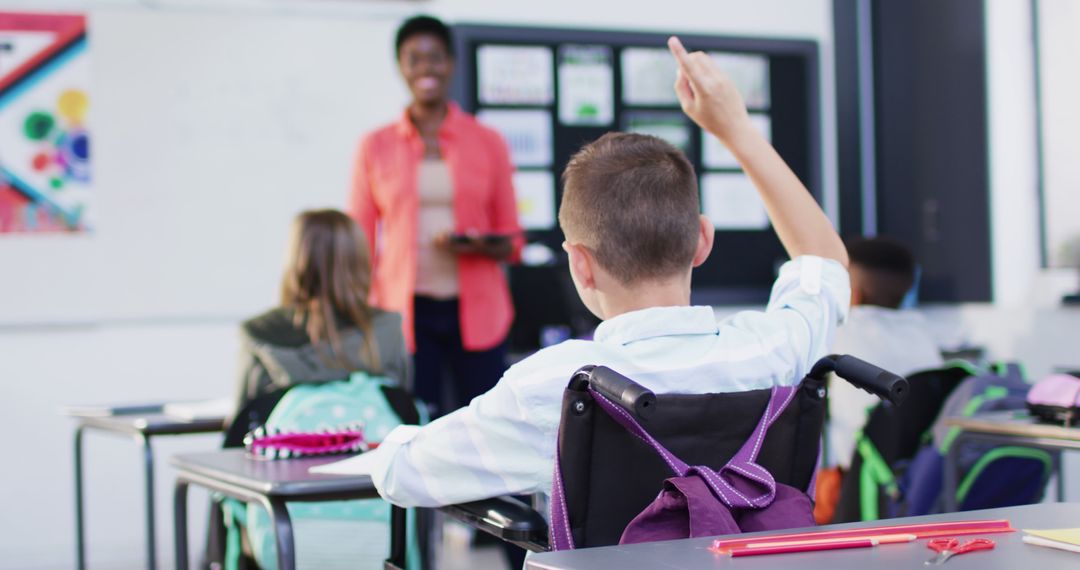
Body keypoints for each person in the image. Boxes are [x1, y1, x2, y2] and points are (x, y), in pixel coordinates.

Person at [316, 37, 850, 513]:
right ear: (703, 240)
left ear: (579, 263)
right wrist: (735, 130)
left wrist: (392, 441)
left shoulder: (554, 386)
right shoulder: (772, 349)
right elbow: (823, 261)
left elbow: (402, 474)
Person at [349, 15, 523, 419]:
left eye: (436, 58)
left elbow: (513, 239)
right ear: (401, 68)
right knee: (412, 426)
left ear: (452, 64)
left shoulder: (488, 141)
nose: (426, 68)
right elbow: (358, 237)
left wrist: (479, 242)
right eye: (414, 59)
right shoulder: (374, 146)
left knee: (486, 425)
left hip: (479, 310)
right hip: (404, 313)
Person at [232, 209, 409, 420]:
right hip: (371, 452)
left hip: (286, 451)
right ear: (360, 261)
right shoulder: (387, 330)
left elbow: (240, 421)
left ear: (295, 260)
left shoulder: (259, 333)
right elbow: (406, 410)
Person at [826, 236, 944, 470]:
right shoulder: (923, 332)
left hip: (856, 475)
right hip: (918, 471)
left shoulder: (839, 332)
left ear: (854, 294)